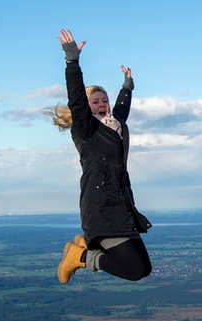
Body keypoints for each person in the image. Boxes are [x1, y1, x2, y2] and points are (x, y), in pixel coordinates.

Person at [51, 29, 152, 284]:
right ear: (86, 107)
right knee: (134, 270)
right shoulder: (86, 129)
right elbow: (76, 99)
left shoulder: (114, 126)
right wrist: (72, 61)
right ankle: (82, 257)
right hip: (101, 207)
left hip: (122, 206)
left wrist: (127, 86)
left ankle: (84, 247)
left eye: (104, 100)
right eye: (95, 101)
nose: (102, 104)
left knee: (144, 269)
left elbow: (120, 110)